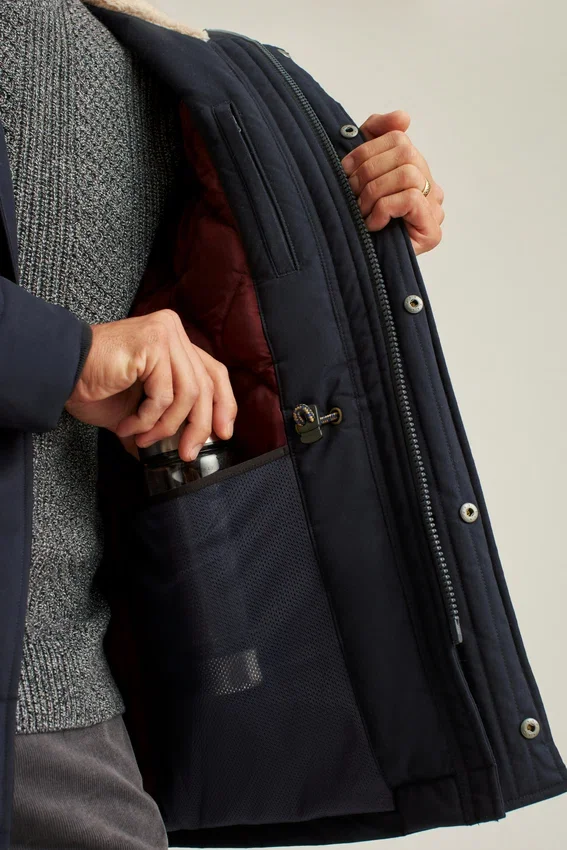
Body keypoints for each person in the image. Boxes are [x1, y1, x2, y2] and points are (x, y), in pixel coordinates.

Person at [0, 1, 444, 846]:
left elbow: (187, 327)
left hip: (64, 691)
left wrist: (338, 221)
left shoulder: (160, 63)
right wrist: (60, 354)